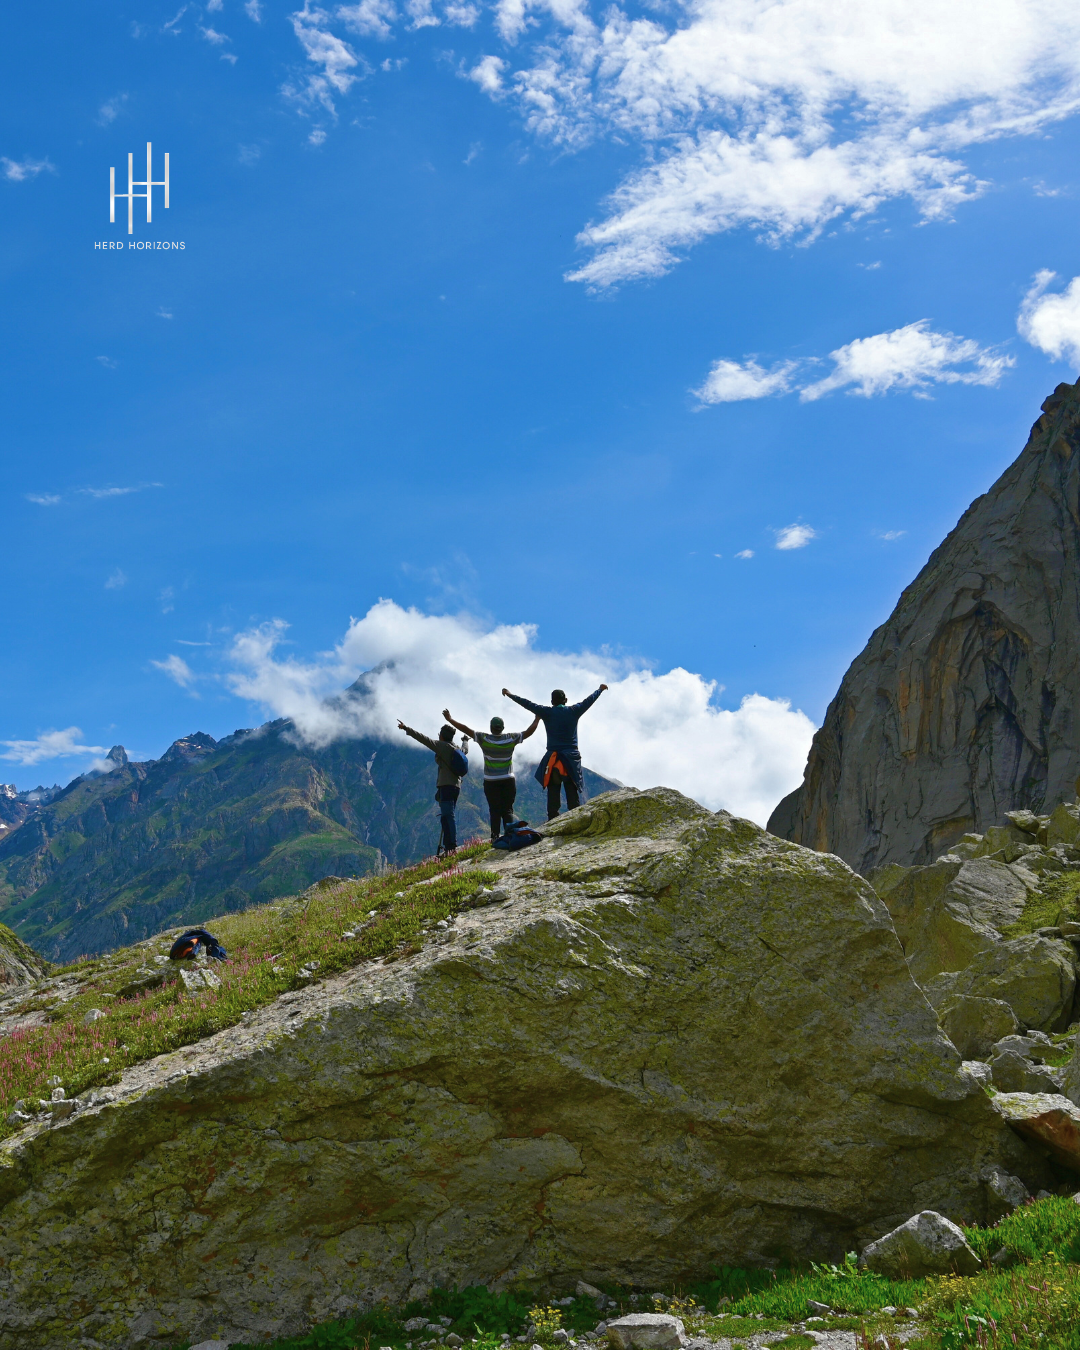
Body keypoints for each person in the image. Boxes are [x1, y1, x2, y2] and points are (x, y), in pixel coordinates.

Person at [502, 683, 608, 820]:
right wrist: (599, 690)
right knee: (572, 794)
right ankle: (576, 821)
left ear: (552, 702)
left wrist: (510, 695)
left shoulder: (546, 712)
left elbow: (526, 703)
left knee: (553, 793)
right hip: (570, 760)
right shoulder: (574, 711)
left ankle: (553, 820)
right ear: (566, 700)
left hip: (553, 759)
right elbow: (589, 701)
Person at [442, 706, 541, 841]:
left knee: (494, 810)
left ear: (491, 728)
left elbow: (465, 729)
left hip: (491, 781)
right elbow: (528, 732)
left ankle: (494, 837)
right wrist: (537, 719)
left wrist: (450, 719)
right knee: (507, 810)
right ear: (502, 728)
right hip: (508, 780)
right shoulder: (511, 738)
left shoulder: (484, 738)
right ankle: (510, 836)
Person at [397, 718, 468, 853]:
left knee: (448, 815)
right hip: (456, 787)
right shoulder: (457, 748)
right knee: (447, 816)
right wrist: (465, 739)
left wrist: (406, 728)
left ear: (441, 736)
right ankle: (449, 845)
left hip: (446, 786)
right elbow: (465, 749)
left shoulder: (441, 746)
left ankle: (451, 846)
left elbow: (423, 739)